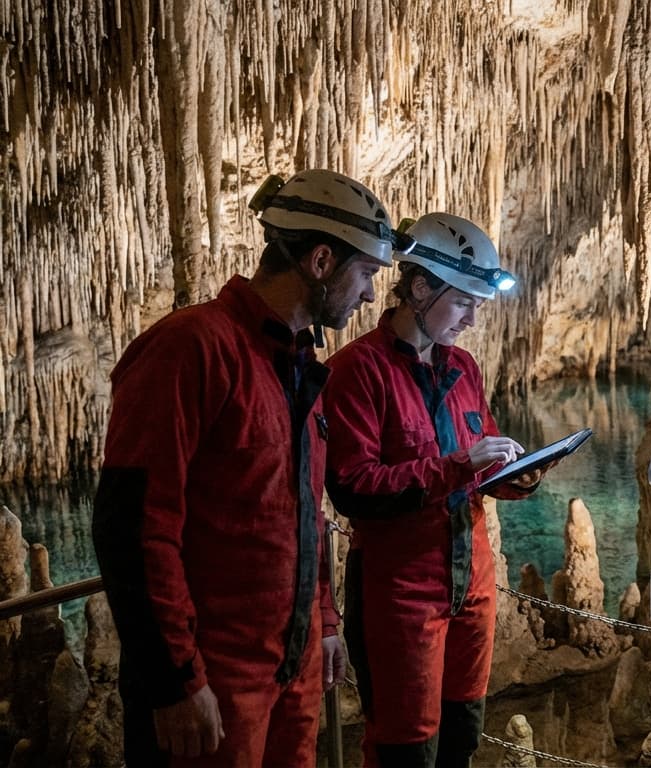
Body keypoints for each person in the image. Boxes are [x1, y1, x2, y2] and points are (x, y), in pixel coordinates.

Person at [92, 169, 398, 765]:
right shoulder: (192, 349)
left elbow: (304, 512)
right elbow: (133, 527)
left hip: (293, 668)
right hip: (214, 678)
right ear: (320, 261)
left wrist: (325, 622)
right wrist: (174, 679)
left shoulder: (298, 363)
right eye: (365, 274)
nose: (368, 295)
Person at [323, 213, 543, 766]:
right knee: (406, 745)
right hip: (401, 592)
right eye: (464, 302)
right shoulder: (358, 371)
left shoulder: (463, 368)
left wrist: (518, 477)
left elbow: (480, 459)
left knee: (462, 735)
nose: (471, 319)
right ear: (419, 288)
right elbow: (354, 487)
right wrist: (457, 464)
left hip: (473, 583)